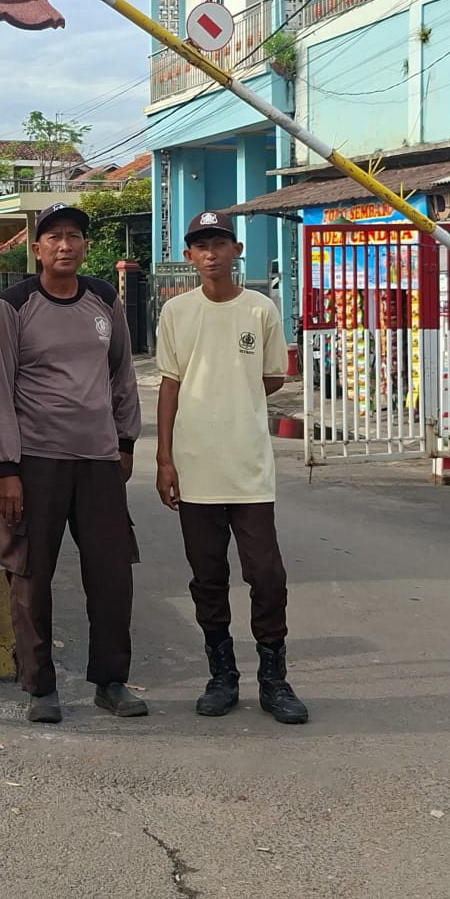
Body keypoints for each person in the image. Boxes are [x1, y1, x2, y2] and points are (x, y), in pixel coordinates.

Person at [0, 203, 147, 723]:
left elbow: (121, 374)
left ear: (84, 246)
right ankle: (40, 686)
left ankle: (111, 681)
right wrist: (5, 469)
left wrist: (125, 441)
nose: (65, 245)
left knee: (112, 573)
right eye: (53, 237)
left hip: (98, 460)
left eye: (73, 236)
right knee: (31, 574)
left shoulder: (104, 299)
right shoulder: (13, 305)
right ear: (37, 249)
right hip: (36, 462)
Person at [155, 209, 309, 725]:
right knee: (207, 576)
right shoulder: (176, 312)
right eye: (201, 245)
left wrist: (233, 396)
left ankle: (274, 678)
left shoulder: (260, 309)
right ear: (189, 255)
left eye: (220, 243)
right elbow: (170, 384)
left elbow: (272, 376)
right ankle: (221, 674)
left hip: (248, 466)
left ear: (236, 251)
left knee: (266, 574)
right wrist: (164, 457)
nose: (211, 253)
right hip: (194, 465)